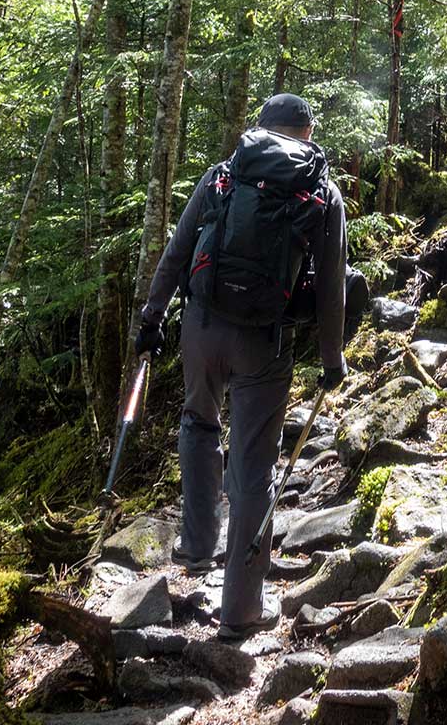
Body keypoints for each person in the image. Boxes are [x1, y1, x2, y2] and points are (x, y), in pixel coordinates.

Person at [133, 93, 348, 640]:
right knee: (254, 468)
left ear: (261, 127)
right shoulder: (321, 192)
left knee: (197, 422)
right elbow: (331, 288)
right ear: (306, 133)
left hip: (202, 326)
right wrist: (332, 358)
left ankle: (197, 547)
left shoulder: (224, 175)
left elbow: (178, 250)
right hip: (264, 342)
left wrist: (152, 317)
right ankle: (241, 610)